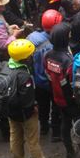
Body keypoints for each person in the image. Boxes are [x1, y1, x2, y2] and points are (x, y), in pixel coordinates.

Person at [43, 23, 78, 158]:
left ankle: (69, 152)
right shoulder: (68, 61)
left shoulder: (47, 55)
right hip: (70, 99)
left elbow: (47, 73)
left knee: (65, 123)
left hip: (57, 96)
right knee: (79, 123)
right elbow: (72, 81)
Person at [28, 9, 63, 138]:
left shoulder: (32, 38)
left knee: (42, 106)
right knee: (56, 107)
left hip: (38, 81)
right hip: (53, 82)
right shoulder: (57, 42)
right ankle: (56, 133)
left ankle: (43, 127)